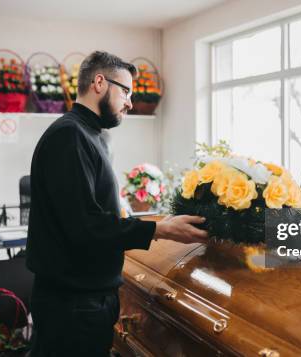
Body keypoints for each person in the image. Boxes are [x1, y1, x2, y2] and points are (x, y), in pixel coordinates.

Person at [26, 51, 208, 356]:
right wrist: (159, 229)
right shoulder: (70, 136)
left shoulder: (89, 134)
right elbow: (84, 226)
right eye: (125, 90)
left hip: (88, 299)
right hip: (72, 306)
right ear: (99, 82)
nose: (130, 102)